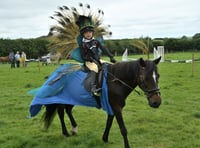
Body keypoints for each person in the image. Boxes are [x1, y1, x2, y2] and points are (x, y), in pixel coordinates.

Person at [76, 15, 116, 96]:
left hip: (97, 60)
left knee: (110, 65)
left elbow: (103, 48)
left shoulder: (96, 42)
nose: (88, 34)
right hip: (89, 62)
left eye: (90, 32)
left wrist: (111, 56)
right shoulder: (82, 45)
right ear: (83, 34)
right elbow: (83, 56)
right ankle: (93, 88)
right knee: (95, 68)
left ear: (92, 33)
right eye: (86, 33)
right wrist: (90, 59)